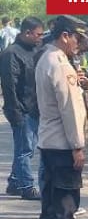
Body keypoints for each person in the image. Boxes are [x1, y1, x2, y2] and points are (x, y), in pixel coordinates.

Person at [34, 15, 88, 219]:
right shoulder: (60, 63)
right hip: (62, 140)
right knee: (66, 192)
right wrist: (77, 146)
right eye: (76, 38)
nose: (78, 44)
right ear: (65, 36)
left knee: (51, 190)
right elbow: (70, 108)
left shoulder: (46, 57)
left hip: (49, 138)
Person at [0, 16, 45, 200]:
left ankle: (14, 182)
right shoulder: (11, 53)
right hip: (21, 109)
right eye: (37, 34)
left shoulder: (36, 50)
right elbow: (9, 86)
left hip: (34, 107)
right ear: (27, 32)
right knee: (25, 149)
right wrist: (15, 113)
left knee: (25, 147)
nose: (40, 38)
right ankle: (27, 186)